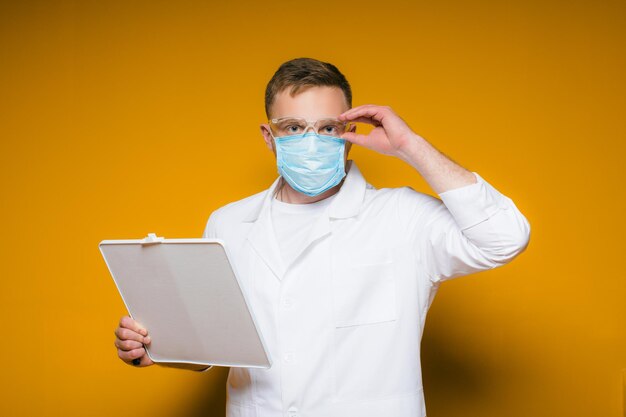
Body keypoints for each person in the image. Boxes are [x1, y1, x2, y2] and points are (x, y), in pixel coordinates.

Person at [114, 57, 531, 417]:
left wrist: (410, 146)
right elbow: (214, 345)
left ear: (349, 137)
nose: (311, 142)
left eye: (328, 128)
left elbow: (504, 238)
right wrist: (161, 348)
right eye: (293, 127)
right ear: (269, 137)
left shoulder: (402, 217)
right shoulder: (227, 223)